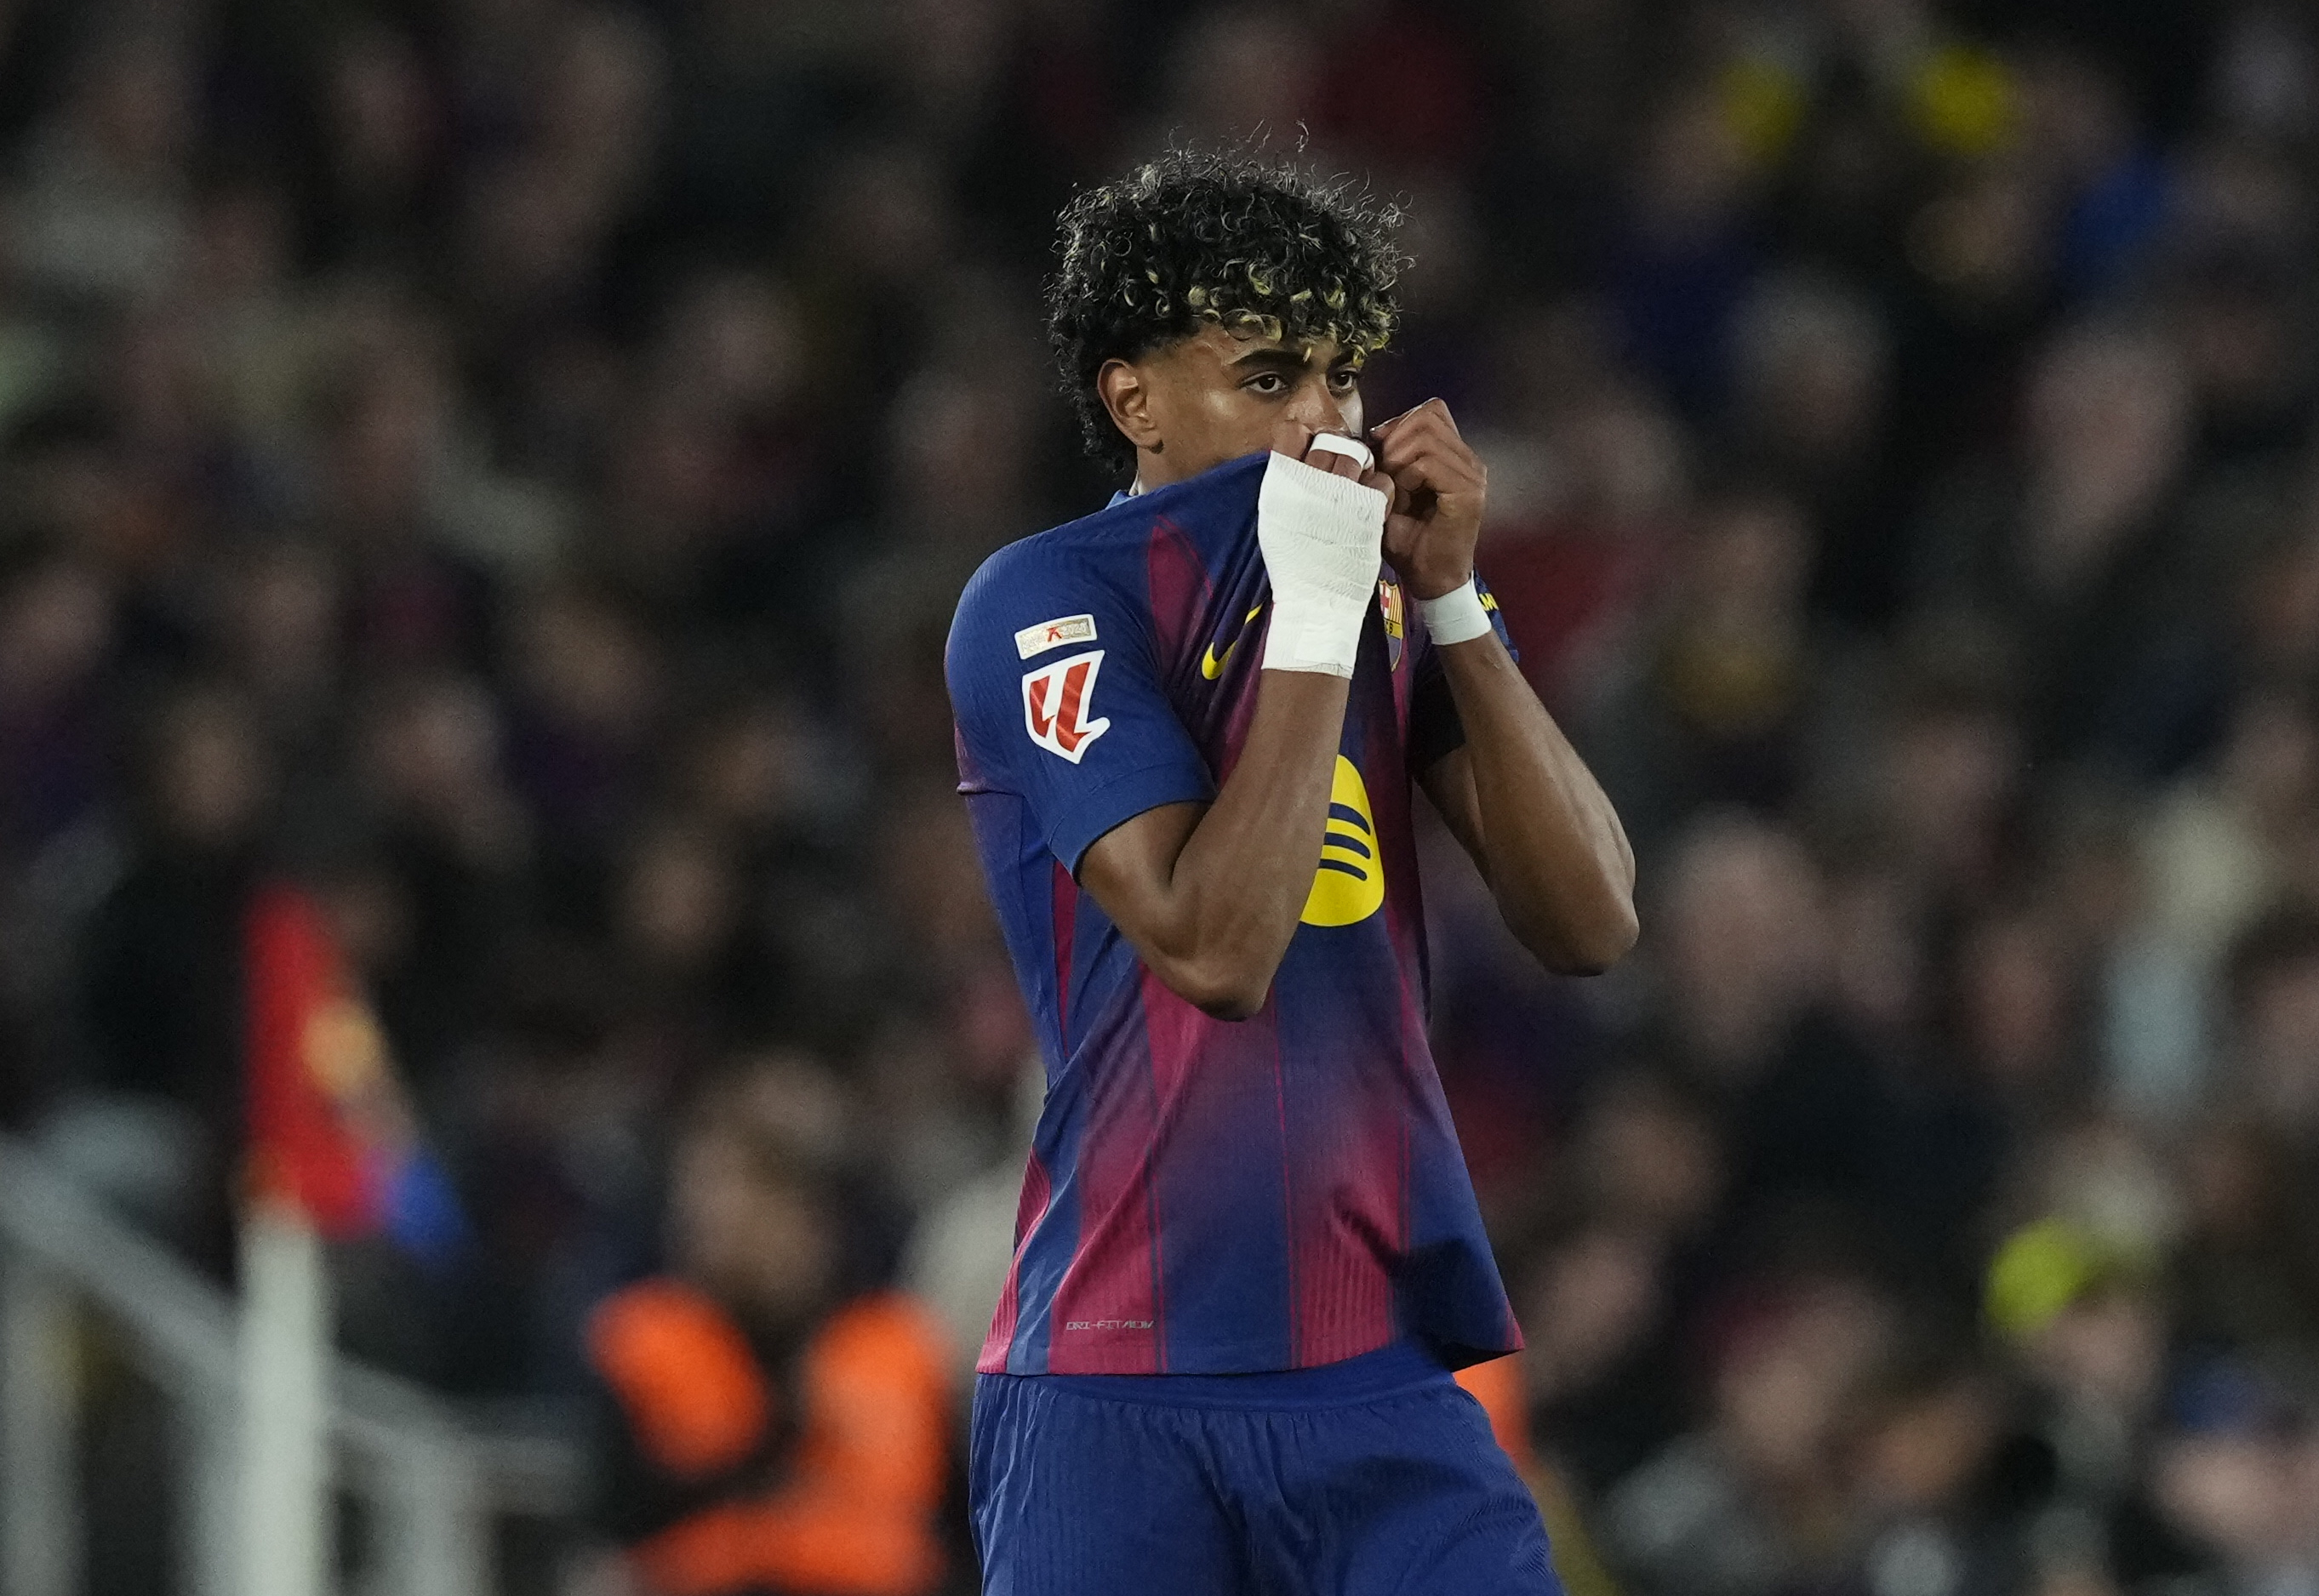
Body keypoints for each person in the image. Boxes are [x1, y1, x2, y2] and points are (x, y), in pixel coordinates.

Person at [943, 150, 1638, 1593]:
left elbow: (1588, 917)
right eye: (1266, 377)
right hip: (1115, 1381)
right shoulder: (1045, 601)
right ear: (1131, 400)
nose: (1322, 422)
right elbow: (1216, 948)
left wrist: (1443, 596)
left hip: (1370, 1368)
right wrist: (1317, 618)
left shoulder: (1386, 595)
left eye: (1338, 378)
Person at [584, 1076, 953, 1596]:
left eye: (748, 1189)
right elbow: (611, 1529)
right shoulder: (639, 1337)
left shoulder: (896, 1342)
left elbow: (955, 1530)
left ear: (816, 1214)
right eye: (700, 1188)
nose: (711, 1215)